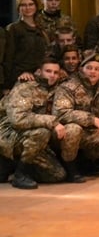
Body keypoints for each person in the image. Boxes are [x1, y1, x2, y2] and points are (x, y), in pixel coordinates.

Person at [52, 53, 99, 182]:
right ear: (81, 69)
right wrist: (92, 119)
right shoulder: (68, 86)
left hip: (88, 131)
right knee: (74, 130)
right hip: (63, 131)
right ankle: (70, 169)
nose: (93, 72)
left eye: (97, 69)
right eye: (89, 68)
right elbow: (61, 113)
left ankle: (83, 161)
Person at [0, 57, 67, 188]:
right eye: (48, 71)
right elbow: (18, 119)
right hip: (8, 133)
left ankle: (12, 164)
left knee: (57, 175)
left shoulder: (56, 89)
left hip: (29, 135)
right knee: (42, 132)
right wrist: (52, 122)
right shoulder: (25, 87)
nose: (52, 75)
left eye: (56, 72)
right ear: (39, 72)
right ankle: (20, 174)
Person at [4, 0, 50, 87]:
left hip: (41, 75)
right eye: (23, 5)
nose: (27, 8)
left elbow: (47, 54)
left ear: (36, 6)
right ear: (18, 8)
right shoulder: (13, 28)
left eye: (30, 4)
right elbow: (8, 58)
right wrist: (7, 84)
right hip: (20, 77)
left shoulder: (42, 29)